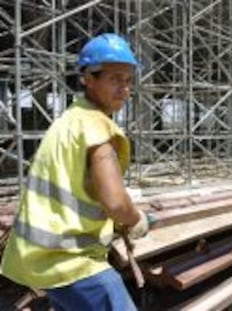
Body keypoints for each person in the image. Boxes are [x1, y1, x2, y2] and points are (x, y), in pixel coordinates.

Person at [1, 33, 151, 310]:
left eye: (129, 80)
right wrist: (137, 219)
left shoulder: (69, 121)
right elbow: (116, 203)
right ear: (87, 78)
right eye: (114, 78)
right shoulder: (95, 126)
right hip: (69, 260)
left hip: (37, 257)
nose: (125, 88)